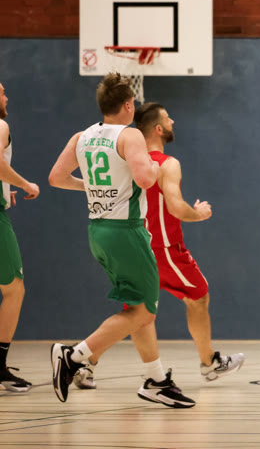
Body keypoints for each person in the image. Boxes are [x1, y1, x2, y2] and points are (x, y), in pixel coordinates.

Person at [70, 102, 244, 390]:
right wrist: (198, 213)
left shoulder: (126, 160)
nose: (173, 121)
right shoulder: (166, 164)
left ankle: (86, 361)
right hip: (164, 249)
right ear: (159, 129)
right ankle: (209, 363)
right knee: (198, 296)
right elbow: (175, 207)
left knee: (135, 315)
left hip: (131, 245)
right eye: (168, 118)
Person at [48, 73, 194, 408]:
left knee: (138, 308)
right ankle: (74, 356)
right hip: (126, 231)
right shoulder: (130, 136)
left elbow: (56, 177)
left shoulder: (82, 136)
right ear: (129, 105)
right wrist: (157, 167)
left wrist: (92, 187)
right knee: (143, 312)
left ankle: (156, 380)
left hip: (98, 231)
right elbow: (144, 179)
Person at [0, 82, 40, 392]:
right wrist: (26, 184)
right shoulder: (1, 125)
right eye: (1, 93)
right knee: (14, 289)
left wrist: (4, 192)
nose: (6, 97)